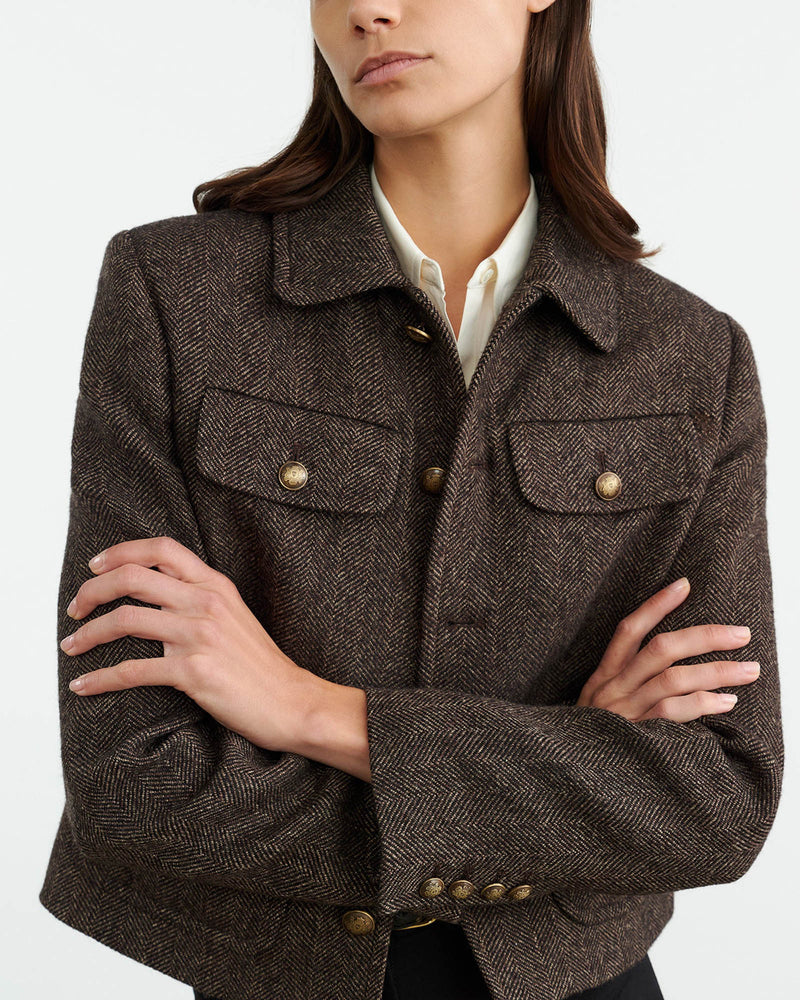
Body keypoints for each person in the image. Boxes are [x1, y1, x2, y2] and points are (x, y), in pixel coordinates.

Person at [39, 2, 783, 999]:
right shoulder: (176, 295)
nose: (366, 10)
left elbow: (718, 800)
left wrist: (310, 711)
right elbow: (133, 783)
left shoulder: (692, 358)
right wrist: (571, 775)